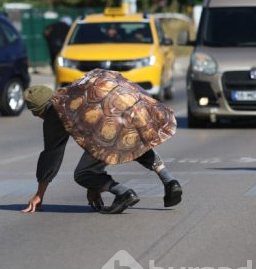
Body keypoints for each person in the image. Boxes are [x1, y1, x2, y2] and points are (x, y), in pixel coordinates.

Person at [20, 85, 183, 214]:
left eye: (37, 114)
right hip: (128, 111)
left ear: (40, 110)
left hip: (108, 131)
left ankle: (124, 193)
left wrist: (39, 195)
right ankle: (170, 181)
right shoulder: (71, 92)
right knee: (134, 141)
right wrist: (94, 187)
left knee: (83, 174)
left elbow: (51, 155)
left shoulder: (54, 113)